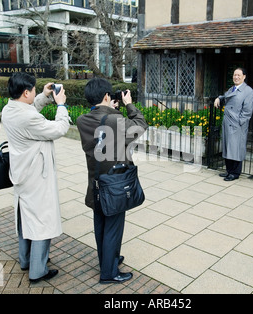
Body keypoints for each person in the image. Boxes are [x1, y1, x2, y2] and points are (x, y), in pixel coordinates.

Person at [76, 78, 148, 284]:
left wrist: (111, 110)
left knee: (100, 224)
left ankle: (107, 260)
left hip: (96, 182)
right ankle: (109, 273)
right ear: (107, 96)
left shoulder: (82, 120)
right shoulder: (114, 121)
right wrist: (128, 104)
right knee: (114, 227)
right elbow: (140, 125)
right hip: (115, 183)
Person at [1, 72, 71, 283]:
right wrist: (60, 105)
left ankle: (26, 260)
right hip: (36, 175)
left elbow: (28, 110)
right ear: (25, 92)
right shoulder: (28, 117)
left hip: (21, 172)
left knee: (25, 216)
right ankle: (38, 270)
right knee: (42, 220)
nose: (33, 92)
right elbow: (59, 129)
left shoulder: (9, 109)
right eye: (32, 90)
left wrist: (42, 96)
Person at [214, 68, 253, 181]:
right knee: (228, 147)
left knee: (236, 148)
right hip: (228, 122)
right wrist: (219, 98)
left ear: (244, 77)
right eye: (234, 75)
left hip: (237, 124)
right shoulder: (232, 89)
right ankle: (229, 171)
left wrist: (239, 122)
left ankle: (235, 173)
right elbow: (226, 97)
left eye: (238, 75)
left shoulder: (248, 91)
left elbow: (247, 111)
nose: (236, 77)